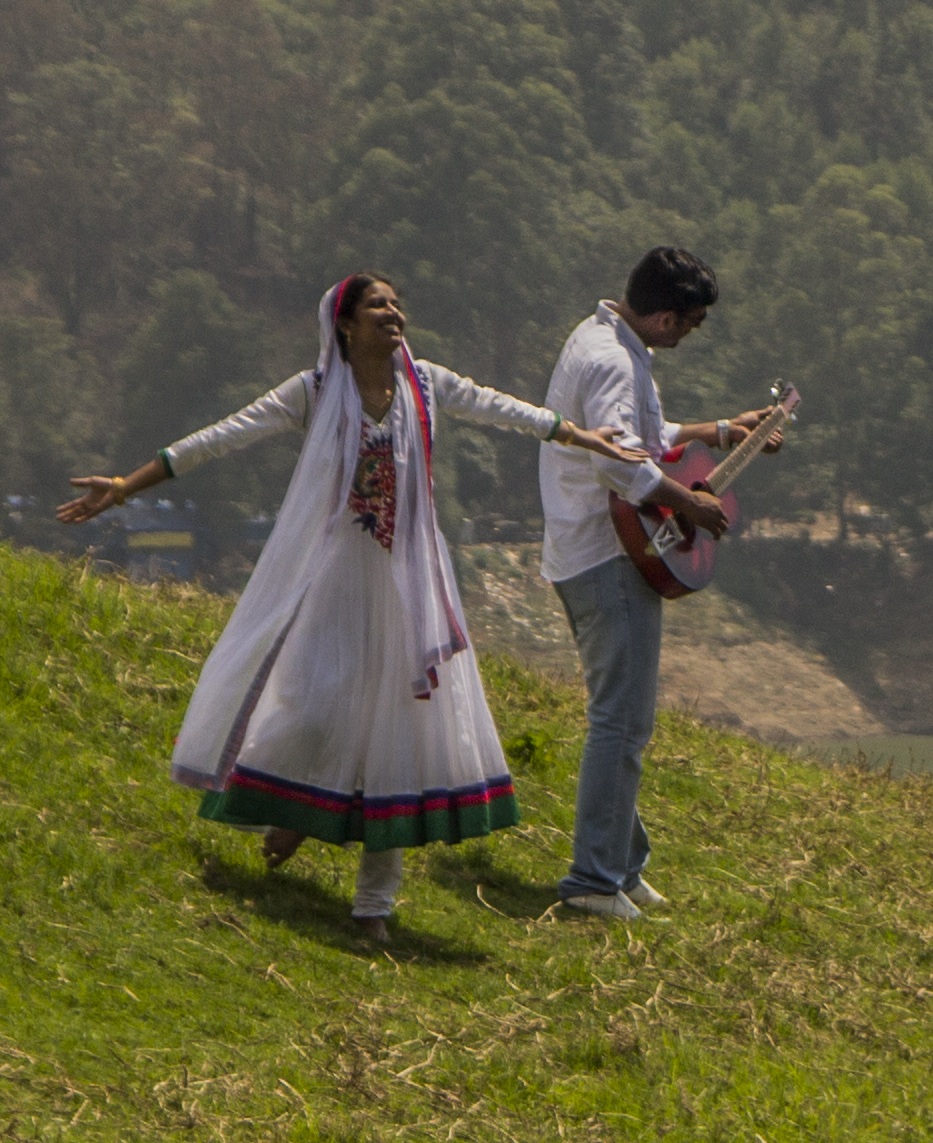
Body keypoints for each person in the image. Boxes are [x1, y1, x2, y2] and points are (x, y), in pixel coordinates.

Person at [58, 272, 647, 943]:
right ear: (343, 324)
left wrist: (583, 437)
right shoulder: (313, 392)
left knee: (397, 732)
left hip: (407, 585)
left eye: (396, 304)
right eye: (377, 305)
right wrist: (126, 486)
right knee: (314, 706)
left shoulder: (422, 384)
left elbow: (502, 408)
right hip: (336, 579)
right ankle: (298, 813)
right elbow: (223, 436)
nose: (393, 314)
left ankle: (375, 905)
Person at [538, 247, 782, 921]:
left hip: (589, 550)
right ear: (668, 315)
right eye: (692, 323)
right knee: (620, 721)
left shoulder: (605, 341)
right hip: (608, 553)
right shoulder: (616, 360)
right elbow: (625, 467)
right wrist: (694, 504)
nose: (688, 336)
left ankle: (623, 860)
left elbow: (649, 434)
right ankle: (592, 879)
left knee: (621, 717)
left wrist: (727, 430)